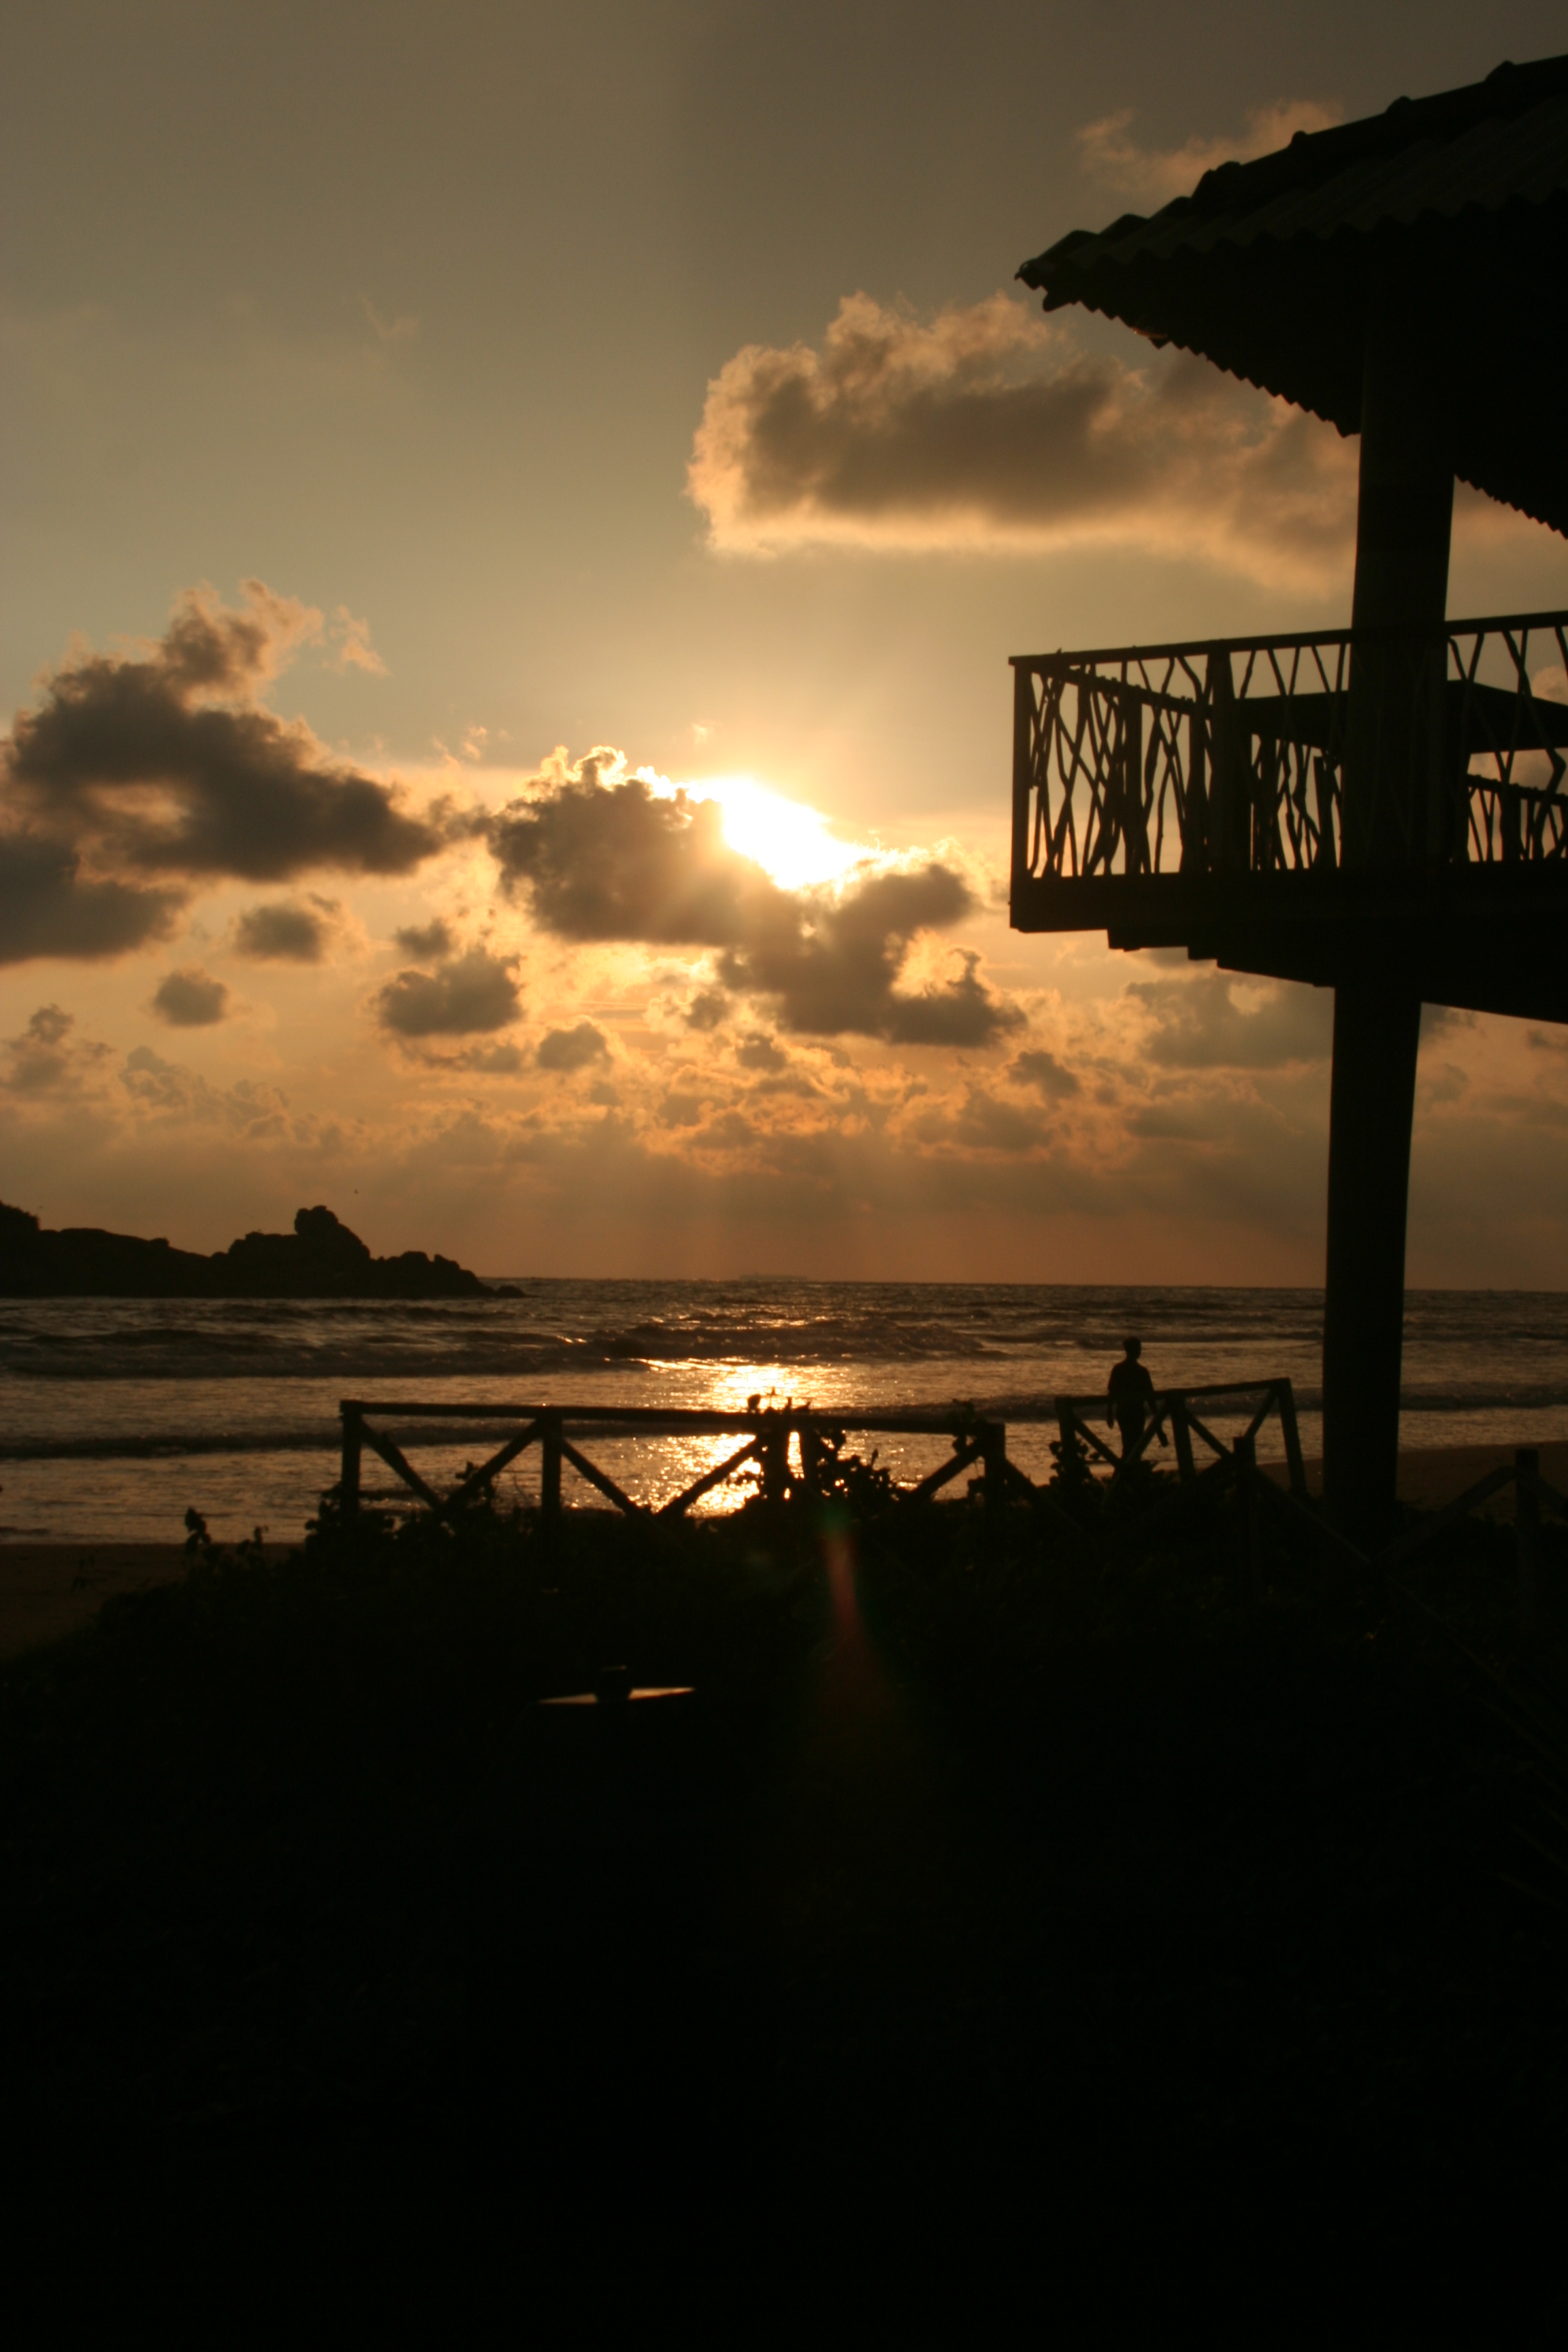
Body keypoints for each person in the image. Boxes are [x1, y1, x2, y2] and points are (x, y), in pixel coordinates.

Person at [1107, 1337, 1162, 1460]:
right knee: (1133, 1446)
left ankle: (1125, 1470)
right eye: (1138, 1348)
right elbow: (1151, 1399)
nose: (1139, 1351)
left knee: (1130, 1445)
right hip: (1135, 1412)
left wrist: (1110, 1412)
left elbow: (1111, 1393)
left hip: (1125, 1412)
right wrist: (1158, 1423)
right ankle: (1124, 1471)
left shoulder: (1119, 1369)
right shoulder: (1141, 1372)